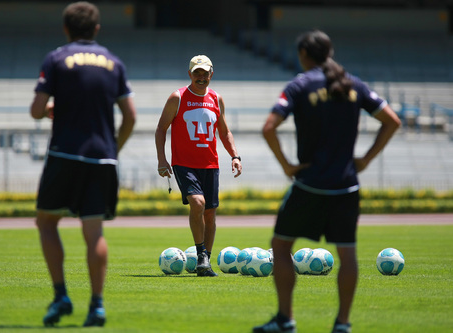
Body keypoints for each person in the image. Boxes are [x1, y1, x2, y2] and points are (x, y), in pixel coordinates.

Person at [253, 30, 401, 333]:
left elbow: (269, 128)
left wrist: (287, 166)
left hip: (309, 184)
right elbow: (392, 121)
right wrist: (366, 159)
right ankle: (343, 324)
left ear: (304, 55)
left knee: (280, 247)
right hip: (347, 185)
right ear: (329, 52)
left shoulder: (299, 85)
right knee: (347, 254)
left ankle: (285, 319)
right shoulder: (352, 84)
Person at [30, 1, 136, 327]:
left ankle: (61, 294)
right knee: (95, 233)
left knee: (47, 223)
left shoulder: (57, 58)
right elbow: (130, 116)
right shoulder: (114, 63)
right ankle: (97, 305)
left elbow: (36, 110)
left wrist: (51, 110)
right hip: (102, 157)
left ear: (66, 29)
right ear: (97, 29)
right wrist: (113, 149)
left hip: (65, 154)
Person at [155, 55, 242, 277]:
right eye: (197, 73)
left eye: (205, 73)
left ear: (211, 74)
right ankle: (201, 252)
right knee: (198, 202)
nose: (201, 77)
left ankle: (206, 262)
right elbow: (161, 129)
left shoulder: (216, 99)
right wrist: (162, 159)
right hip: (184, 163)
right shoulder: (178, 97)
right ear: (189, 74)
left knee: (210, 214)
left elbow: (224, 132)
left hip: (210, 164)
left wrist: (235, 156)